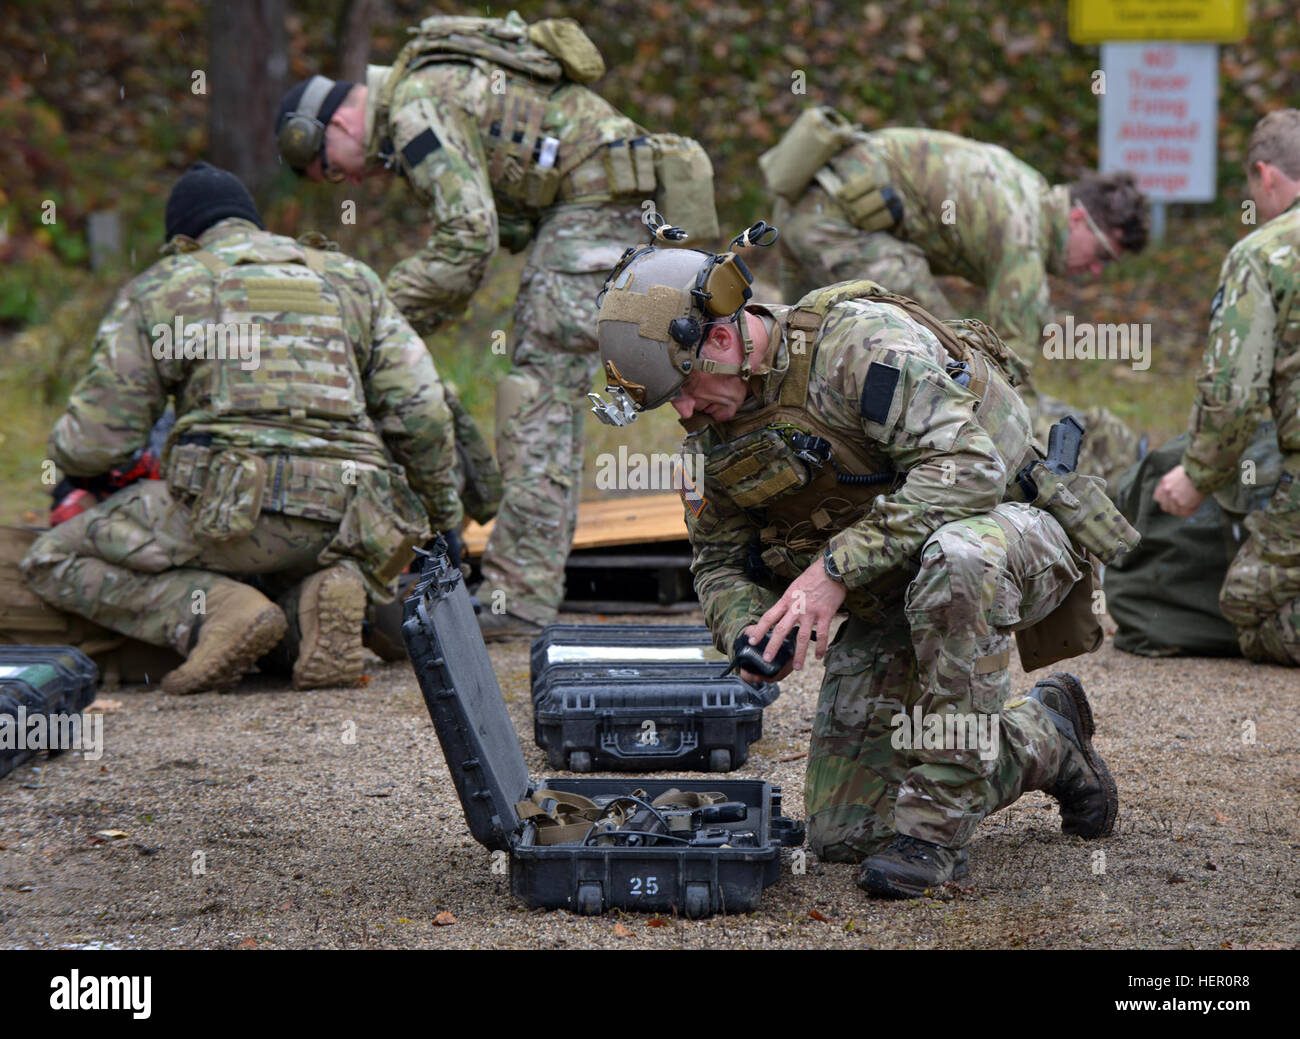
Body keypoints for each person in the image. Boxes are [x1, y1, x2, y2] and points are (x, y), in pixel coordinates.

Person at [590, 222, 1130, 897]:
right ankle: (1045, 737)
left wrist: (833, 572)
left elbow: (967, 466)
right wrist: (751, 632)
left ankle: (935, 834)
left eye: (686, 391)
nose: (687, 414)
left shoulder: (858, 346)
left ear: (722, 339)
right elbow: (718, 565)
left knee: (957, 557)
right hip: (893, 589)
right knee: (846, 834)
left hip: (1007, 539)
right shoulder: (711, 442)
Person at [275, 12, 718, 638]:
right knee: (694, 374)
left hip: (593, 209)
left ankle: (521, 596)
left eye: (334, 166)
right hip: (614, 202)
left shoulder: (413, 110)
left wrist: (377, 323)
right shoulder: (425, 88)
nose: (349, 180)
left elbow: (467, 239)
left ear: (341, 123)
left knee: (538, 397)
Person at [21, 163, 463, 694]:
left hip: (229, 515)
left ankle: (214, 611)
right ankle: (319, 600)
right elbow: (424, 413)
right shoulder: (350, 279)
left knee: (52, 557)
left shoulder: (167, 286)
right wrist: (442, 518)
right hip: (351, 520)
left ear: (182, 239)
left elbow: (97, 441)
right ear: (254, 223)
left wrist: (72, 464)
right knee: (292, 570)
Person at [764, 110, 1150, 487]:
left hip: (805, 206)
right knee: (950, 355)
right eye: (1102, 255)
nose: (1097, 270)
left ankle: (790, 442)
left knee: (797, 344)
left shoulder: (1026, 189)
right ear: (1080, 219)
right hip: (832, 224)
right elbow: (1004, 377)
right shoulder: (1023, 234)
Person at [1155, 109, 1300, 666]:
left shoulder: (1264, 254)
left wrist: (1198, 476)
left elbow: (1234, 393)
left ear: (1265, 176)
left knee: (1246, 606)